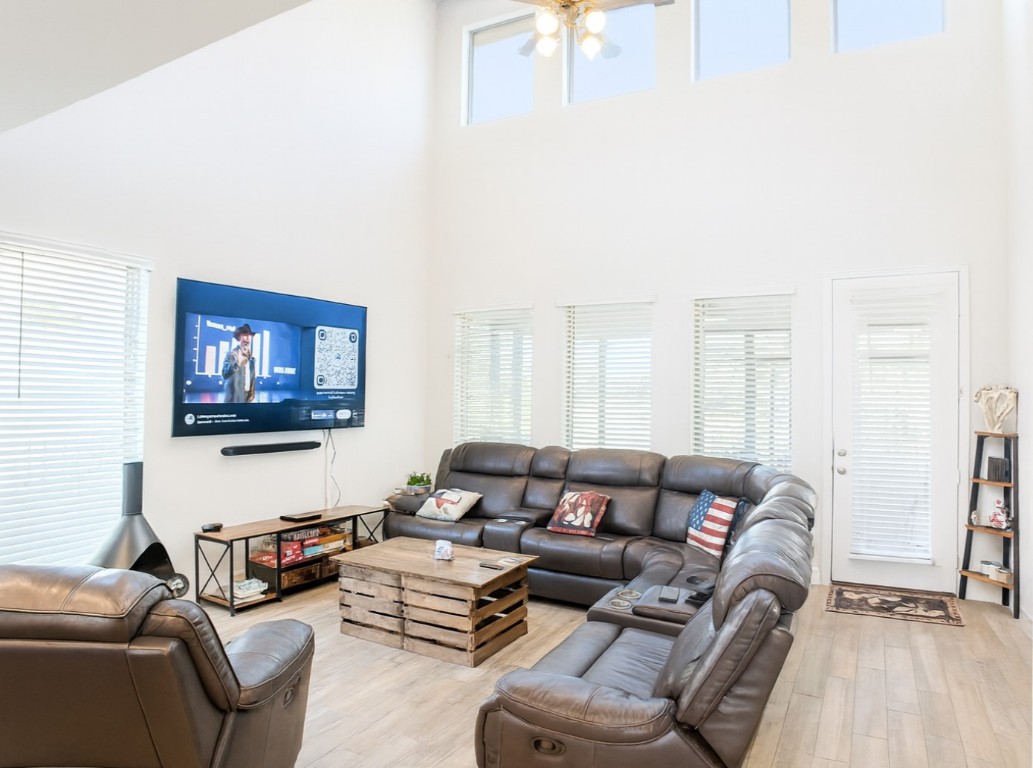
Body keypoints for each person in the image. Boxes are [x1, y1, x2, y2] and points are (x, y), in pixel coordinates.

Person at [222, 323, 257, 403]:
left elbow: (252, 380)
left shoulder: (252, 360)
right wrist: (237, 364)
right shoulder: (232, 354)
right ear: (239, 337)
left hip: (247, 400)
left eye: (249, 336)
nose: (247, 339)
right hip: (234, 400)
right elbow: (225, 373)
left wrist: (251, 396)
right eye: (245, 335)